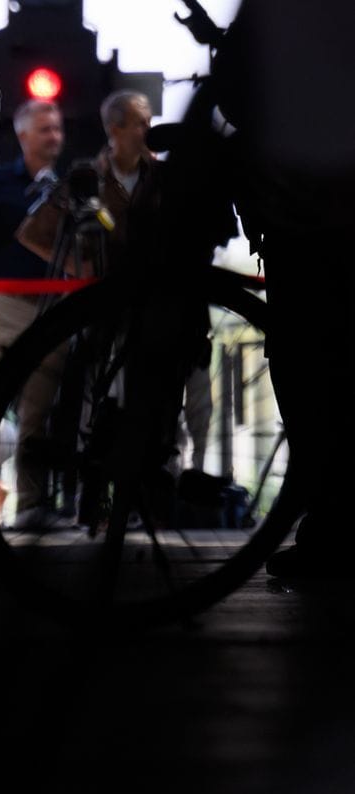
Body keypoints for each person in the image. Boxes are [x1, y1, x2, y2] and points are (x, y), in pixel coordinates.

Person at [210, 0, 355, 579]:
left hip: (300, 210)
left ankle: (331, 522)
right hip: (316, 204)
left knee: (305, 365)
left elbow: (234, 89)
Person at [18, 90, 214, 476]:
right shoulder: (89, 178)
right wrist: (83, 268)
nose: (148, 130)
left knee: (178, 394)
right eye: (140, 122)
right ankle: (95, 490)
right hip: (110, 307)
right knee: (100, 395)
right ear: (115, 128)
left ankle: (180, 483)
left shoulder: (162, 177)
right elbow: (32, 231)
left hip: (162, 300)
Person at [0, 99, 65, 527]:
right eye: (44, 129)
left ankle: (33, 506)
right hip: (3, 307)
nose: (54, 136)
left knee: (39, 411)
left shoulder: (68, 187)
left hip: (54, 309)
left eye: (57, 128)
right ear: (23, 135)